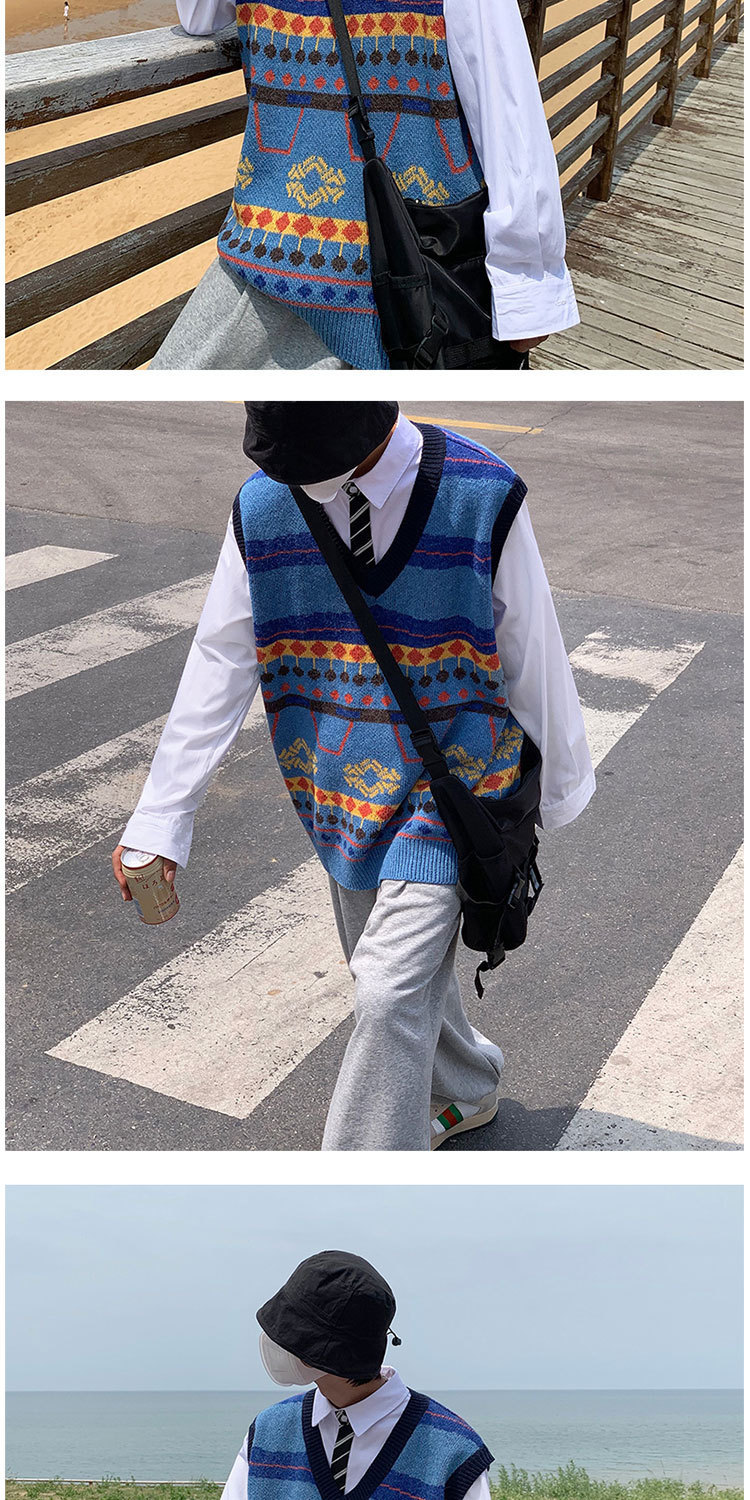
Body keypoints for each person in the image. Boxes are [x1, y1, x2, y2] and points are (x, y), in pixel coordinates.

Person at [113, 402, 595, 1150]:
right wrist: (161, 817)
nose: (296, 486)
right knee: (390, 979)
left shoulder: (481, 493)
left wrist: (558, 789)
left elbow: (530, 640)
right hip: (337, 788)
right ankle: (468, 1085)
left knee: (386, 991)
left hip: (456, 786)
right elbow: (222, 656)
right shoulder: (264, 506)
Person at [150, 0, 579, 369]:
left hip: (295, 263)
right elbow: (504, 100)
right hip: (400, 269)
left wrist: (527, 287)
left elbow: (199, 15)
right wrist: (528, 286)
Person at [223, 1250, 494, 1498]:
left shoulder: (453, 1456)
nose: (277, 1342)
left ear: (329, 1356)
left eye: (291, 1335)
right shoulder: (267, 1433)